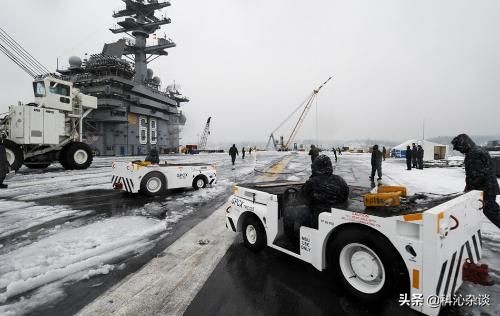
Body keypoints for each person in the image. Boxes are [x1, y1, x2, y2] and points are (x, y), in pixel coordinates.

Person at [452, 134, 500, 229]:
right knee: (491, 211)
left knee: (492, 212)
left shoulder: (473, 154)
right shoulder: (478, 149)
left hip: (485, 189)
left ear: (463, 144)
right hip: (488, 187)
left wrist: (469, 189)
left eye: (459, 148)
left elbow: (477, 176)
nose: (459, 151)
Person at [301, 155, 349, 229]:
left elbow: (302, 198)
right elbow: (345, 195)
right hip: (337, 218)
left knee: (289, 211)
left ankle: (293, 238)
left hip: (317, 218)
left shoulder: (312, 182)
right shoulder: (340, 180)